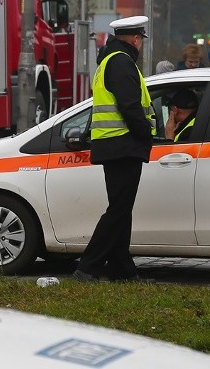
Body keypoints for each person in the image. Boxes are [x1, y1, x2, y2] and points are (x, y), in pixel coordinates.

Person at [74, 15, 156, 283]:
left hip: (114, 143)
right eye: (140, 40)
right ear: (135, 39)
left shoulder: (110, 60)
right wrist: (145, 133)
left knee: (121, 208)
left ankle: (122, 269)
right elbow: (130, 106)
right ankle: (88, 266)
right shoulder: (121, 62)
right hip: (123, 143)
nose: (140, 44)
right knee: (119, 210)